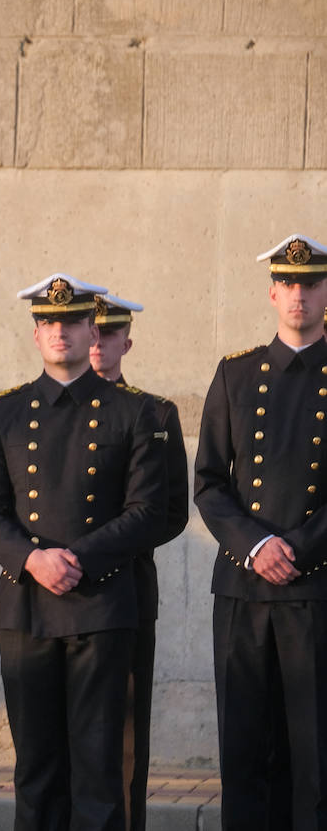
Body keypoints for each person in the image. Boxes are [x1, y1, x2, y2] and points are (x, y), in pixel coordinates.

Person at [0, 273, 167, 831]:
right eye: (48, 323)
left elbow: (149, 510)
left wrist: (75, 558)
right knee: (36, 769)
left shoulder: (135, 412)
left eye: (73, 322)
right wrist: (34, 559)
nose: (61, 332)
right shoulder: (4, 411)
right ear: (36, 333)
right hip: (27, 606)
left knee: (99, 770)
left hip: (101, 608)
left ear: (91, 329)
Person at [194, 234, 327, 829]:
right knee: (245, 752)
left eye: (312, 283)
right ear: (272, 291)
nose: (299, 295)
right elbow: (209, 483)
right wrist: (255, 545)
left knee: (315, 754)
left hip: (315, 586)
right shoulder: (237, 374)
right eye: (289, 284)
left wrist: (297, 546)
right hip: (245, 591)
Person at [87, 292, 188, 831]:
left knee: (124, 739)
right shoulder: (42, 410)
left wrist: (110, 549)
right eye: (92, 331)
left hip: (125, 589)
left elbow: (170, 512)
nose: (99, 344)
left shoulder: (157, 412)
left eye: (110, 335)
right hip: (58, 596)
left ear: (127, 341)